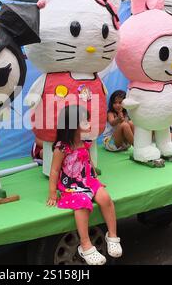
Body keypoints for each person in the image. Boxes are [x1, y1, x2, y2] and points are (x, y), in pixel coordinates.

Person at [47, 105, 122, 265]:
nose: (88, 123)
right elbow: (54, 171)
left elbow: (88, 161)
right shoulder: (61, 147)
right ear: (71, 125)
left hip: (88, 180)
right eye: (84, 121)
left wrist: (96, 179)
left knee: (105, 198)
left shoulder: (85, 142)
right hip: (71, 185)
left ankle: (113, 236)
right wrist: (52, 192)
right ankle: (85, 244)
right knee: (82, 204)